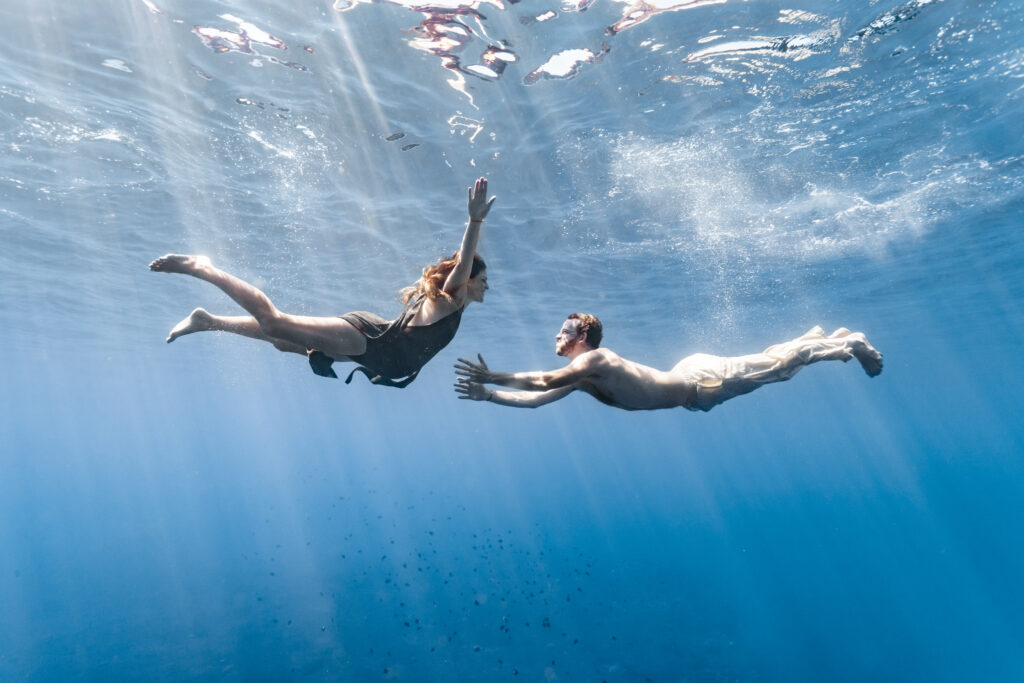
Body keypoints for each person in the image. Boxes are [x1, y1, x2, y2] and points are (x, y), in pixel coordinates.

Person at [150, 178, 496, 387]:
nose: (487, 286)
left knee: (282, 342)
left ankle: (208, 321)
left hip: (374, 357)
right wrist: (474, 222)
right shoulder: (449, 300)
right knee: (273, 323)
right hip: (368, 340)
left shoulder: (454, 308)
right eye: (483, 279)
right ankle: (202, 268)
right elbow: (463, 261)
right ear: (467, 280)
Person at [454, 313, 882, 410]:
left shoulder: (596, 359)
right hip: (692, 383)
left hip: (702, 382)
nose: (556, 335)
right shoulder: (584, 376)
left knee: (780, 370)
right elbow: (536, 400)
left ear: (582, 337)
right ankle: (818, 340)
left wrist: (493, 375)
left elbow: (544, 382)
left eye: (563, 331)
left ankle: (850, 343)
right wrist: (488, 395)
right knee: (773, 368)